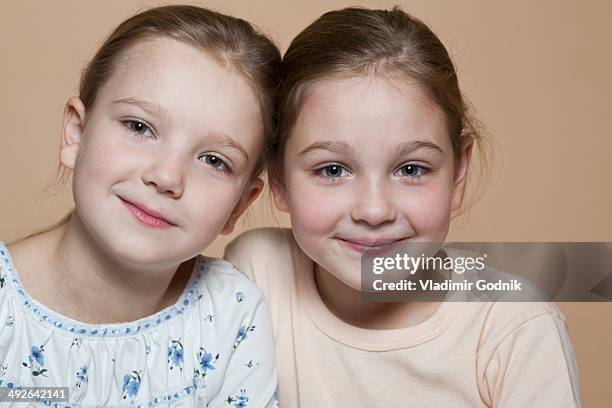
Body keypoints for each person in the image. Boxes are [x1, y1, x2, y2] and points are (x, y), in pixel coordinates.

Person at [225, 6, 582, 407]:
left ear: (457, 175)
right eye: (332, 170)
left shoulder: (513, 325)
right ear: (278, 179)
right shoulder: (258, 274)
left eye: (411, 169)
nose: (375, 211)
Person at [0, 5, 280, 407]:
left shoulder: (231, 315)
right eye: (139, 127)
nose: (166, 177)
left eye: (214, 161)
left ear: (239, 205)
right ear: (76, 134)